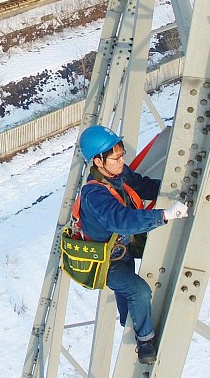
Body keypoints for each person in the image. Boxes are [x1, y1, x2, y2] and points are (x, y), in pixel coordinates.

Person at [76, 125, 188, 365]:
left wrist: (171, 190)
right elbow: (121, 220)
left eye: (122, 154)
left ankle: (129, 318)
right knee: (137, 290)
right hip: (104, 261)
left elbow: (142, 184)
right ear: (98, 161)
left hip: (121, 248)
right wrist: (163, 216)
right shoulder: (94, 195)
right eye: (116, 157)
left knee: (128, 287)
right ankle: (144, 340)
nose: (122, 160)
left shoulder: (117, 174)